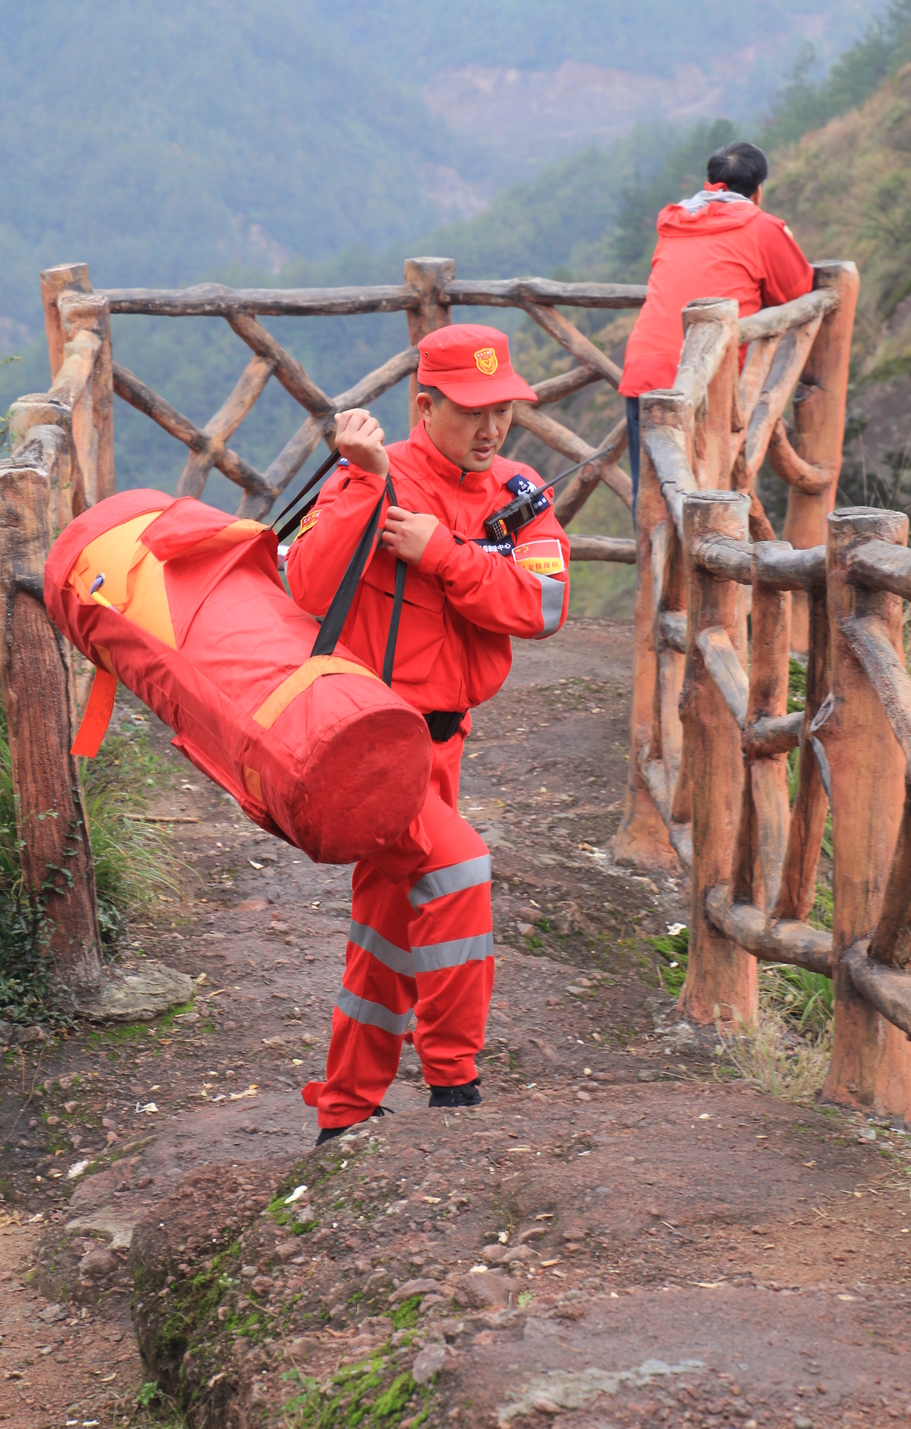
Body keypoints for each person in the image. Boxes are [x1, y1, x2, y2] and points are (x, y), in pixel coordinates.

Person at [287, 323, 570, 1144]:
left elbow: (545, 606)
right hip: (373, 746)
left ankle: (345, 1110)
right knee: (458, 870)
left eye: (504, 410)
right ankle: (454, 1082)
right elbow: (306, 584)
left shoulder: (519, 489)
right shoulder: (373, 474)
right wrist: (370, 485)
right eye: (473, 410)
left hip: (447, 744)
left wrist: (445, 553)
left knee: (386, 923)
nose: (492, 429)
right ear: (424, 405)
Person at [619, 140, 814, 513]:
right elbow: (796, 290)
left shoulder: (673, 221)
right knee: (706, 503)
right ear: (758, 190)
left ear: (711, 183)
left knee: (654, 501)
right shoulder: (762, 227)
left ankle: (655, 571)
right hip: (709, 381)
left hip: (645, 374)